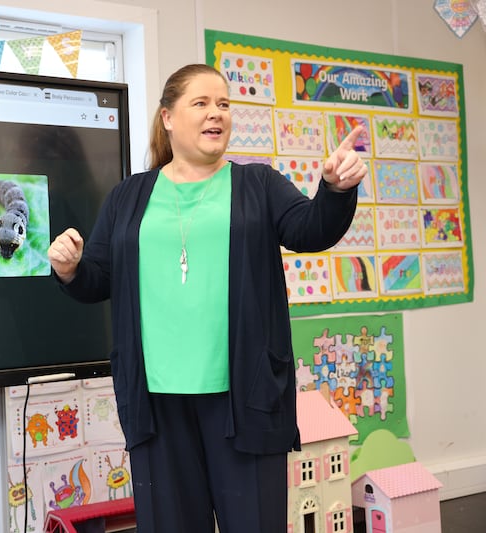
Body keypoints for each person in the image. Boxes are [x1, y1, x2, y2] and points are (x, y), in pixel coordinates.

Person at [47, 64, 367, 533]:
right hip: (156, 405)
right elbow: (98, 279)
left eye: (223, 104)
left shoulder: (258, 184)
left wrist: (336, 189)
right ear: (168, 118)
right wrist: (70, 268)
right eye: (201, 103)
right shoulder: (128, 197)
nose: (216, 113)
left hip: (244, 399)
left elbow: (310, 228)